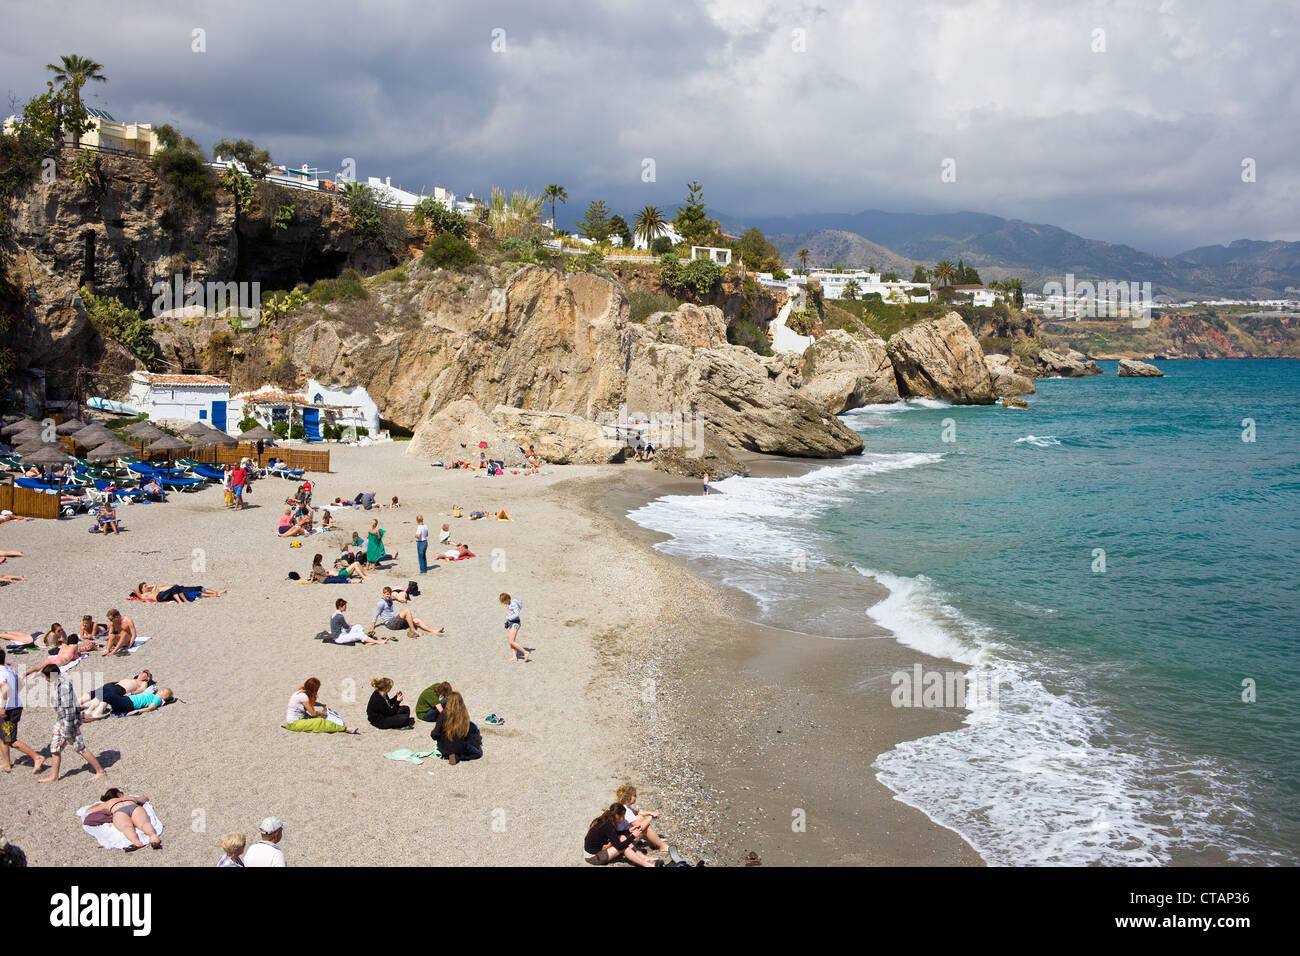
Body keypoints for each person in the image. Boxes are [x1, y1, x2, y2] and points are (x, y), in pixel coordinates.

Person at [36, 662, 106, 783]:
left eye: (46, 677)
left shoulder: (64, 687)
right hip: (61, 721)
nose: (46, 679)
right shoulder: (58, 683)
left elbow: (69, 710)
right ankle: (54, 776)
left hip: (69, 723)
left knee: (80, 748)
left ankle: (100, 771)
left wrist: (68, 729)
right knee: (54, 748)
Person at [0, 649, 44, 774]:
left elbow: (5, 688)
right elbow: (20, 684)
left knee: (11, 740)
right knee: (2, 736)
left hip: (8, 709)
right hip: (14, 706)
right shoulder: (9, 670)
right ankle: (6, 763)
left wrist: (3, 706)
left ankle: (37, 757)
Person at [83, 787, 161, 851]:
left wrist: (99, 805)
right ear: (119, 794)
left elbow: (89, 811)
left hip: (119, 811)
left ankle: (136, 841)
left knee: (126, 827)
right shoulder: (129, 797)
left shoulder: (108, 803)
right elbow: (144, 798)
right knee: (144, 823)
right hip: (134, 807)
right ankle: (153, 836)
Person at [583, 803, 654, 866]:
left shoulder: (607, 819)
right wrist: (633, 836)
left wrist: (629, 831)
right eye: (623, 816)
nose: (623, 819)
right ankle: (647, 865)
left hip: (593, 851)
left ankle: (644, 858)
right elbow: (620, 847)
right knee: (624, 847)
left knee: (622, 837)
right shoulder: (608, 825)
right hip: (593, 857)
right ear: (617, 815)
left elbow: (614, 834)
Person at [283, 677, 358, 733]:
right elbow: (313, 713)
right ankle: (345, 729)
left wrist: (322, 705)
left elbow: (310, 703)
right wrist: (324, 713)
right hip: (294, 723)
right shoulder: (303, 696)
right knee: (320, 721)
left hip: (300, 719)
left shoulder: (302, 692)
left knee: (320, 720)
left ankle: (340, 727)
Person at [615, 784, 670, 853]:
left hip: (623, 834)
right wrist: (650, 817)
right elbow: (640, 827)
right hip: (623, 840)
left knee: (640, 817)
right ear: (628, 797)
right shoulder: (626, 811)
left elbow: (638, 813)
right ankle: (662, 846)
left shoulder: (625, 806)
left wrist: (650, 813)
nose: (636, 797)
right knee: (645, 825)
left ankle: (655, 840)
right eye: (634, 795)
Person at [429, 691, 481, 764]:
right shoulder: (464, 716)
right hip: (460, 747)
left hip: (444, 746)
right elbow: (466, 735)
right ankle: (459, 756)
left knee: (443, 739)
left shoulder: (443, 714)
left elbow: (435, 734)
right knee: (478, 753)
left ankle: (448, 755)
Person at [369, 586, 441, 638]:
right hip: (390, 624)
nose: (389, 596)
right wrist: (372, 627)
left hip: (395, 621)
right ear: (383, 594)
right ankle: (413, 630)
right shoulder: (380, 603)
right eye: (387, 594)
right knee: (407, 611)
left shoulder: (390, 599)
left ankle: (433, 631)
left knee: (417, 620)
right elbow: (375, 615)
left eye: (389, 594)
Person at [80, 670, 154, 716]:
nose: (142, 673)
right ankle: (79, 704)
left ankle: (88, 710)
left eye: (145, 674)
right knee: (94, 693)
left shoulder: (143, 683)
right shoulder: (133, 679)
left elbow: (141, 690)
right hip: (114, 686)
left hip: (121, 689)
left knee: (102, 696)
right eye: (143, 672)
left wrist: (132, 693)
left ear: (147, 678)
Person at [500, 592, 529, 662]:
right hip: (511, 623)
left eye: (504, 602)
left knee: (512, 641)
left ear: (507, 599)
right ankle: (514, 656)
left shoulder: (513, 604)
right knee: (510, 641)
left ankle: (525, 652)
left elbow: (517, 613)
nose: (504, 603)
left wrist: (509, 618)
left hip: (515, 623)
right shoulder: (510, 604)